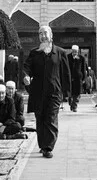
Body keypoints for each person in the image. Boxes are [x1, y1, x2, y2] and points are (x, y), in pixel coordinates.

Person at [23, 24, 71, 159]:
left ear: (51, 35)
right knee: (40, 119)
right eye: (40, 33)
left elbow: (66, 74)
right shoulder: (34, 52)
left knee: (50, 119)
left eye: (45, 33)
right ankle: (43, 144)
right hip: (37, 92)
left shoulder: (60, 52)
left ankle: (48, 147)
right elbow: (27, 67)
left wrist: (67, 94)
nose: (43, 36)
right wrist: (26, 76)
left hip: (54, 92)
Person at [66, 45, 89, 112]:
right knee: (70, 92)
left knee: (78, 93)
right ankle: (71, 101)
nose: (75, 52)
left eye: (76, 51)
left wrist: (84, 78)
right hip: (70, 77)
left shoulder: (81, 58)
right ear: (71, 51)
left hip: (78, 78)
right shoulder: (68, 57)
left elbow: (84, 69)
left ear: (78, 51)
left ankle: (74, 106)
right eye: (73, 51)